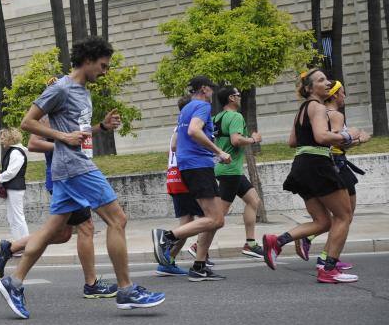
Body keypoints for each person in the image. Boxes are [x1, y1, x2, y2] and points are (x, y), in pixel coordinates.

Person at [0, 36, 165, 319]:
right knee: (117, 220)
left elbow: (79, 133)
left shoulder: (83, 91)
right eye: (103, 65)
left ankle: (13, 282)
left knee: (53, 231)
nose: (105, 71)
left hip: (69, 168)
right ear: (87, 60)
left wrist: (100, 127)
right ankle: (126, 290)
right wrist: (62, 136)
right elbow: (28, 123)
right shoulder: (61, 88)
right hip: (76, 168)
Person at [0, 112, 118, 299]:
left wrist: (100, 127)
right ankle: (91, 284)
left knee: (62, 234)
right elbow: (34, 143)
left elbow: (79, 138)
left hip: (73, 174)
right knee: (86, 227)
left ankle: (11, 248)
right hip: (65, 179)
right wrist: (64, 144)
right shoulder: (51, 113)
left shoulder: (71, 111)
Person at [262, 69, 368, 283]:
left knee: (322, 221)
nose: (327, 82)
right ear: (309, 88)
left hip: (301, 166)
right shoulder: (318, 107)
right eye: (321, 80)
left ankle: (277, 241)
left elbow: (292, 142)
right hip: (318, 165)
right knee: (343, 216)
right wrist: (349, 135)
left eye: (326, 79)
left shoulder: (302, 109)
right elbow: (321, 137)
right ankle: (328, 269)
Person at [151, 76, 232, 282]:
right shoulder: (202, 107)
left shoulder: (186, 109)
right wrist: (218, 152)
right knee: (215, 219)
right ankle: (167, 237)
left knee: (213, 220)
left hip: (188, 165)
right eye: (211, 89)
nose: (212, 93)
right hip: (198, 166)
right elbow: (194, 130)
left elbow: (176, 144)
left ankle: (199, 266)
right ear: (204, 89)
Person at [293, 80, 369, 272]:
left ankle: (327, 257)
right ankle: (325, 258)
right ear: (335, 95)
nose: (345, 96)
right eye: (343, 92)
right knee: (345, 215)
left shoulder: (316, 111)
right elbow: (333, 142)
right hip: (336, 165)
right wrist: (357, 138)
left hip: (327, 164)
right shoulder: (335, 114)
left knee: (341, 215)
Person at [211, 86, 265, 259]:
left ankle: (250, 243)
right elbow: (236, 140)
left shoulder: (217, 117)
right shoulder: (235, 116)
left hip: (227, 168)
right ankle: (198, 245)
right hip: (230, 170)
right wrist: (253, 139)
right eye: (238, 95)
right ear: (231, 98)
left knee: (253, 200)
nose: (240, 97)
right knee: (218, 215)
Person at [156, 95, 196, 277]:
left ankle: (170, 256)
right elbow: (174, 145)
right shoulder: (185, 125)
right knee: (208, 218)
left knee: (191, 222)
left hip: (175, 176)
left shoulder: (181, 124)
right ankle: (167, 245)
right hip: (182, 176)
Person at [0, 127, 30, 242]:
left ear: (10, 138)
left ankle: (25, 243)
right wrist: (0, 171)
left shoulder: (15, 152)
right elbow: (11, 168)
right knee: (12, 217)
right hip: (12, 188)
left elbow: (11, 172)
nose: (1, 140)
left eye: (3, 138)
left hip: (15, 188)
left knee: (17, 217)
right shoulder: (14, 151)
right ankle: (19, 243)